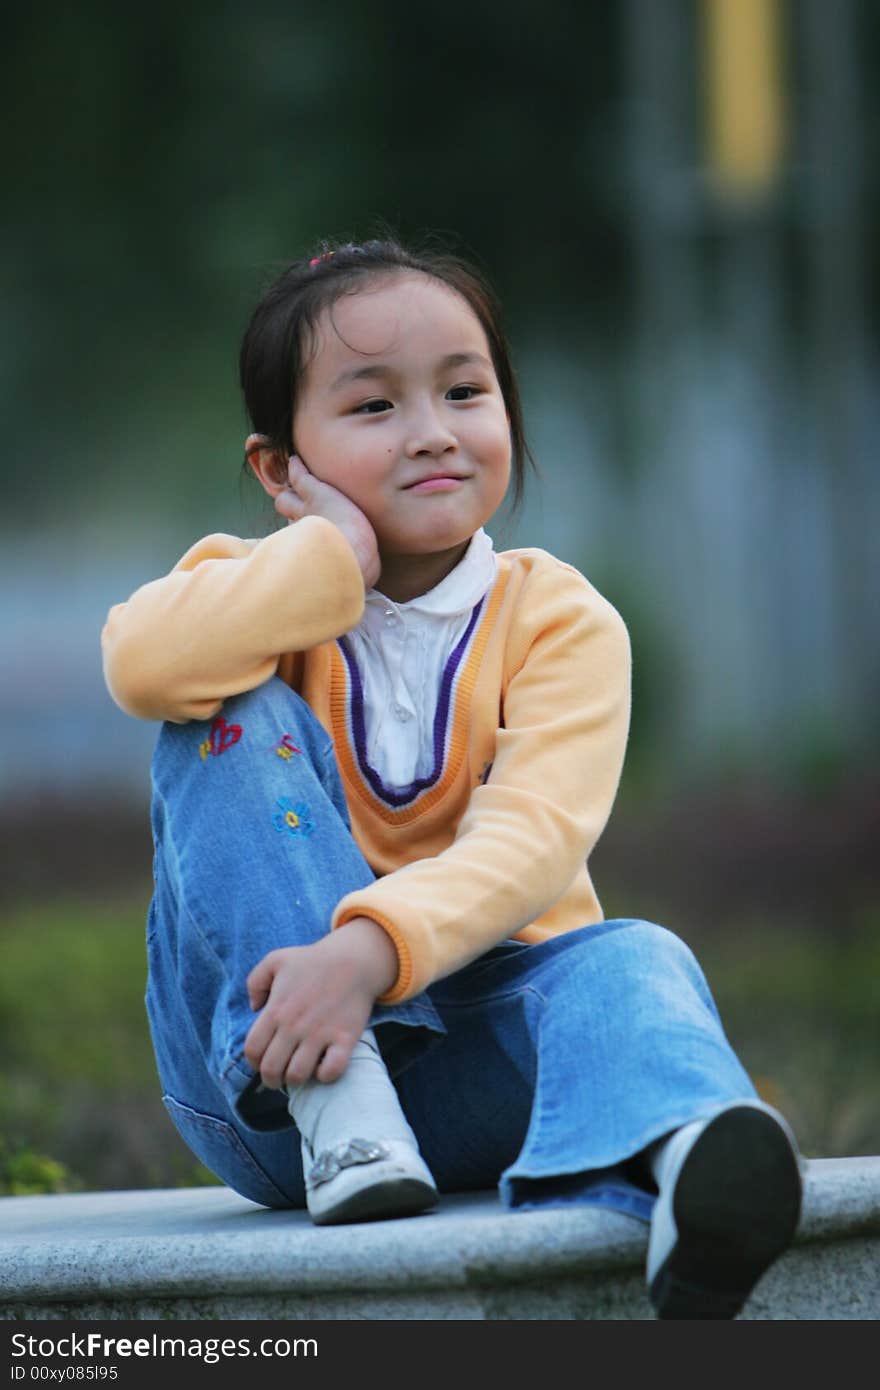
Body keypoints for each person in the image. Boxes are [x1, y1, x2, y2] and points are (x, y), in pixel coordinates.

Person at [101, 236, 803, 1319]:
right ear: (281, 467)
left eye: (464, 392)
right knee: (221, 708)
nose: (433, 432)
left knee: (633, 953)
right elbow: (143, 664)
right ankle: (344, 1106)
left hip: (470, 1075)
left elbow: (531, 839)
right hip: (268, 1088)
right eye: (373, 408)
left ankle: (691, 1166)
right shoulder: (247, 595)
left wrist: (366, 952)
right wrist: (331, 563)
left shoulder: (559, 620)